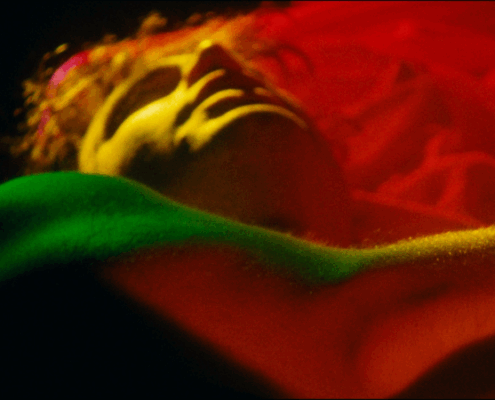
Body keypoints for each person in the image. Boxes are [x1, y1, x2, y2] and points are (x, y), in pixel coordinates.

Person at [3, 2, 495, 397]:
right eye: (149, 93)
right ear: (88, 184)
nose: (213, 59)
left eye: (257, 77)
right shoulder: (28, 223)